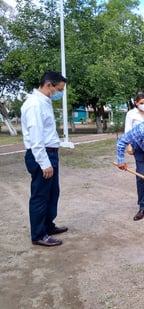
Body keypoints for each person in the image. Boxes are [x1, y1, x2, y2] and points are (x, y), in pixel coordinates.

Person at [21, 71, 69, 247]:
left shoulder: (45, 102)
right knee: (40, 196)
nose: (59, 93)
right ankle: (39, 235)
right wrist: (44, 163)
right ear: (49, 85)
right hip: (42, 155)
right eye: (59, 89)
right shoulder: (34, 105)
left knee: (52, 193)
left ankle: (48, 226)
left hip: (51, 154)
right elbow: (35, 138)